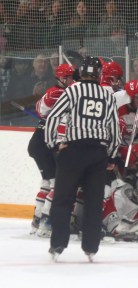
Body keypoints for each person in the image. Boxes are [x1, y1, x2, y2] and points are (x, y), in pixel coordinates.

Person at [45, 56, 121, 261]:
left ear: (81, 72)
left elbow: (52, 116)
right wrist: (113, 154)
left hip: (73, 151)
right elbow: (114, 127)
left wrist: (53, 143)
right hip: (98, 153)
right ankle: (91, 247)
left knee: (63, 199)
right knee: (94, 202)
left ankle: (59, 244)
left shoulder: (72, 90)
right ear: (99, 74)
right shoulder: (107, 96)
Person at [29, 63, 75, 237]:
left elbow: (40, 109)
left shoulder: (52, 91)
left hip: (38, 141)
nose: (71, 80)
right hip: (45, 142)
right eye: (68, 77)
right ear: (61, 78)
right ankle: (47, 222)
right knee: (57, 184)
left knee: (47, 183)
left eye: (71, 76)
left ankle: (37, 221)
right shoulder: (60, 93)